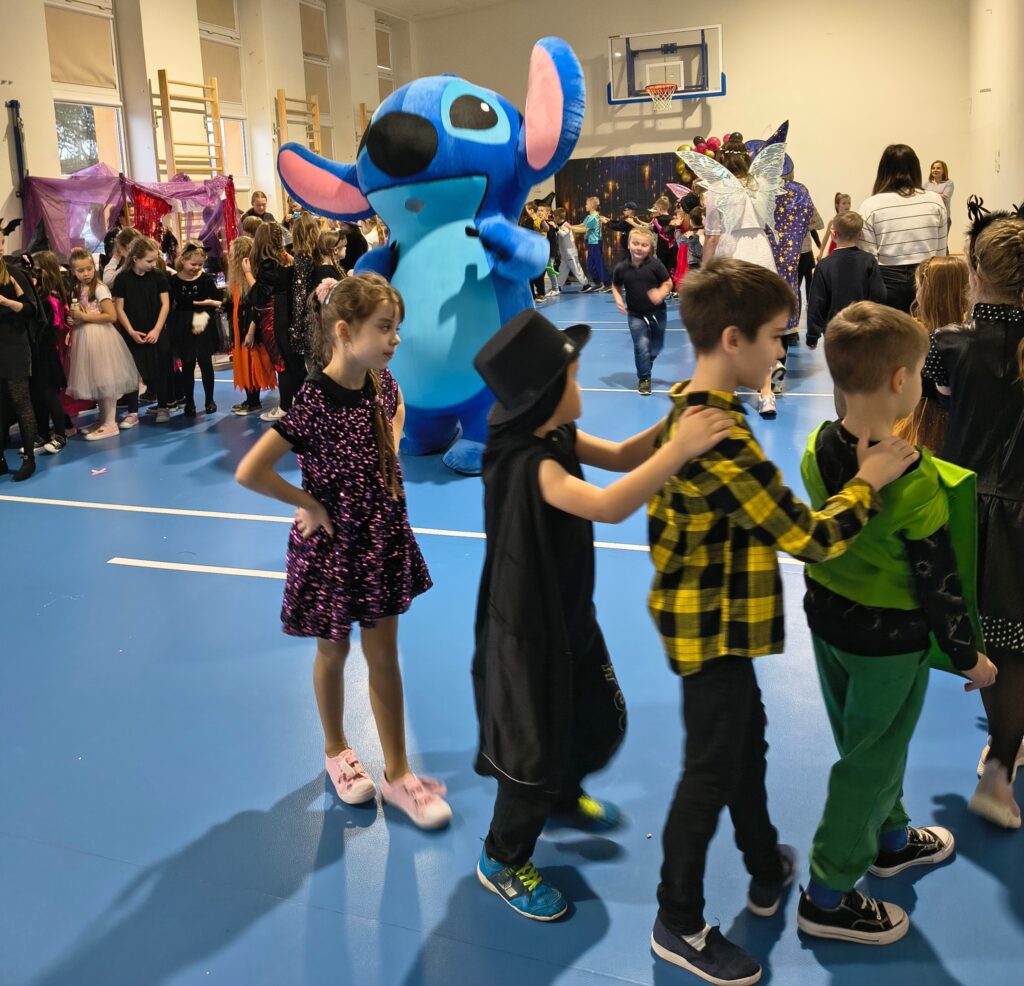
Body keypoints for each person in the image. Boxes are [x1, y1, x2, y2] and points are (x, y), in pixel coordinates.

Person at [645, 258, 918, 985]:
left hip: (711, 625)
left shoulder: (693, 408)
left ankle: (765, 864)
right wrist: (868, 481)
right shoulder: (725, 444)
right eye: (774, 336)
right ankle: (677, 919)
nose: (780, 351)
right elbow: (810, 537)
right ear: (733, 340)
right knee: (709, 774)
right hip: (710, 632)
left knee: (746, 746)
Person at [471, 308, 733, 922]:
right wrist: (682, 449)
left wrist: (677, 419)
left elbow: (618, 456)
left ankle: (563, 794)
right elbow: (610, 504)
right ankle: (502, 857)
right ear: (544, 397)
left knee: (596, 720)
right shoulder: (530, 463)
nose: (580, 384)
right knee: (530, 760)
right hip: (528, 633)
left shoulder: (554, 435)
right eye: (573, 377)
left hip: (568, 616)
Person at [796, 301, 996, 945]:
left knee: (869, 745)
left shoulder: (816, 446)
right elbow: (940, 585)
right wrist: (970, 658)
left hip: (829, 625)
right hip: (890, 644)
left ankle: (891, 838)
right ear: (900, 381)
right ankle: (827, 895)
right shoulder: (915, 481)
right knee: (870, 760)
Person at [235, 273, 451, 829]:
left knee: (384, 658)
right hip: (333, 548)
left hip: (379, 539)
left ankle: (399, 773)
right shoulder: (314, 400)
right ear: (344, 331)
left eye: (397, 328)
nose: (395, 339)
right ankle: (336, 749)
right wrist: (307, 502)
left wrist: (391, 449)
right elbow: (251, 470)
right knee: (333, 654)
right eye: (385, 328)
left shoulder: (382, 381)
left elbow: (395, 414)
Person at [924, 214, 1024, 829]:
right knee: (1017, 646)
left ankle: (999, 769)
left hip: (972, 508)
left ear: (976, 274)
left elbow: (936, 401)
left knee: (991, 642)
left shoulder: (951, 344)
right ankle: (1004, 760)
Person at [858, 145, 947, 313]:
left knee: (890, 329)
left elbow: (869, 259)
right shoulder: (934, 200)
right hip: (927, 279)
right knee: (926, 329)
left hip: (886, 283)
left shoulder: (870, 205)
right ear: (916, 168)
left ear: (883, 170)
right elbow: (941, 252)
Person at [894, 256, 969, 453]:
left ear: (932, 294)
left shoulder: (920, 339)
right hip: (961, 422)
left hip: (925, 422)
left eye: (919, 287)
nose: (916, 294)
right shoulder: (968, 337)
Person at [65, 247, 139, 441]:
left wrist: (84, 317)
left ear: (94, 267)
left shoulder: (99, 288)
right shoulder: (77, 288)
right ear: (73, 271)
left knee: (105, 379)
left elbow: (111, 316)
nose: (86, 273)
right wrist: (75, 320)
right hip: (85, 337)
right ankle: (103, 418)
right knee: (96, 379)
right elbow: (81, 312)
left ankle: (110, 423)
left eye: (89, 268)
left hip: (100, 337)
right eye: (81, 270)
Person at [806, 212, 887, 351]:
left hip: (834, 329)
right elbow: (879, 295)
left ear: (833, 234)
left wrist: (812, 335)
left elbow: (816, 302)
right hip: (863, 325)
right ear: (860, 234)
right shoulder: (869, 261)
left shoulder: (824, 265)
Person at [112, 236, 172, 423]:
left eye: (155, 260)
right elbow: (119, 308)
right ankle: (133, 412)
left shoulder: (158, 277)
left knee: (160, 369)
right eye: (149, 261)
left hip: (155, 330)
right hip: (133, 332)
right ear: (135, 259)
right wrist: (130, 331)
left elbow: (165, 304)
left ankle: (163, 406)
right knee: (132, 371)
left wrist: (157, 330)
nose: (153, 264)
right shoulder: (122, 279)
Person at [245, 222, 297, 422]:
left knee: (281, 362)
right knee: (290, 362)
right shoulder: (287, 259)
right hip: (286, 314)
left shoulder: (269, 264)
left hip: (274, 317)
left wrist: (248, 273)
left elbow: (259, 296)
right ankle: (293, 403)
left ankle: (285, 407)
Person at [611, 228, 672, 395]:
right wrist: (618, 299)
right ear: (628, 244)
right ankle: (644, 378)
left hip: (658, 313)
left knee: (656, 346)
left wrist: (660, 292)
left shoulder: (655, 265)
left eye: (644, 245)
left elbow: (668, 283)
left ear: (650, 247)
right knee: (642, 346)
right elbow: (616, 286)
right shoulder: (622, 267)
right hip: (635, 315)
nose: (639, 247)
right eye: (635, 243)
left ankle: (647, 360)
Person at [0, 236, 40, 481]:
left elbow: (31, 309)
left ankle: (29, 458)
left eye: (1, 242)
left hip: (14, 345)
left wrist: (7, 302)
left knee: (21, 401)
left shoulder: (13, 273)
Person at [168, 241, 223, 416]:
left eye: (200, 265)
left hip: (203, 321)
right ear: (183, 260)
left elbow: (216, 301)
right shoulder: (174, 281)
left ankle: (209, 400)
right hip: (183, 324)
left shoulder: (206, 279)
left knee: (205, 362)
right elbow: (170, 305)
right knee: (188, 363)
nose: (197, 268)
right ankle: (189, 401)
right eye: (193, 264)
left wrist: (202, 319)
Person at [28, 251, 70, 454]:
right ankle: (43, 434)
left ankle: (60, 435)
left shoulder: (49, 300)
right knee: (37, 395)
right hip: (36, 354)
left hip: (46, 353)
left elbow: (50, 326)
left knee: (49, 394)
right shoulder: (39, 298)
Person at [228, 236, 276, 417]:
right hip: (241, 328)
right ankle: (250, 399)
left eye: (232, 253)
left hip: (251, 330)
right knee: (246, 363)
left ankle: (254, 401)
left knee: (252, 364)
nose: (229, 256)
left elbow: (257, 307)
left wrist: (250, 332)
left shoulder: (251, 278)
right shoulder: (239, 280)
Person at [289, 214, 320, 372]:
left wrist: (295, 327)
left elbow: (299, 293)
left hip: (308, 317)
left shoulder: (302, 257)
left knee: (313, 366)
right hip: (319, 312)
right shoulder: (318, 255)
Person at [552, 208, 591, 293]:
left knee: (576, 269)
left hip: (570, 253)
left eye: (554, 217)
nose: (553, 219)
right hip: (565, 253)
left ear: (557, 217)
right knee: (562, 270)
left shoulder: (566, 225)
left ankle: (586, 285)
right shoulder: (560, 225)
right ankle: (559, 286)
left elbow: (563, 234)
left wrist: (555, 227)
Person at [583, 197, 611, 292]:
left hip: (595, 242)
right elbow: (582, 225)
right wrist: (569, 226)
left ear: (591, 205)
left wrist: (569, 227)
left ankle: (607, 283)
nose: (585, 206)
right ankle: (598, 283)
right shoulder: (589, 217)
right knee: (591, 264)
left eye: (587, 204)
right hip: (591, 242)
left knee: (599, 263)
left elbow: (583, 229)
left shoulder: (594, 217)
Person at [817, 194, 852, 261]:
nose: (847, 206)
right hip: (833, 251)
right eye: (844, 203)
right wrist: (821, 252)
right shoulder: (832, 222)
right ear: (837, 205)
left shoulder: (851, 221)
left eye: (849, 203)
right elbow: (826, 238)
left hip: (847, 252)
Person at [925, 160, 954, 233]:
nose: (935, 170)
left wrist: (928, 195)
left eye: (938, 168)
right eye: (933, 168)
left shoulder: (949, 183)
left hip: (944, 218)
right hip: (929, 218)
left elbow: (944, 198)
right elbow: (922, 199)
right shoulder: (926, 184)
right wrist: (939, 195)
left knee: (943, 241)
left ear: (944, 170)